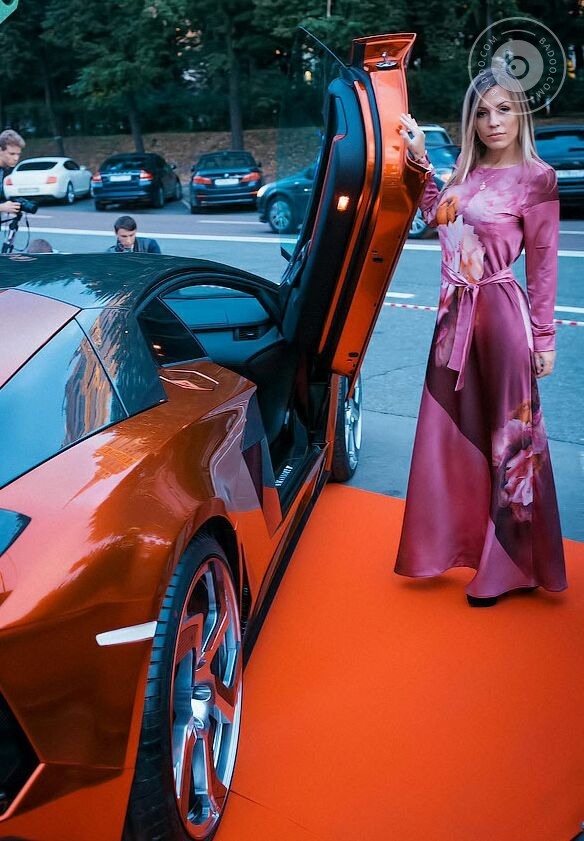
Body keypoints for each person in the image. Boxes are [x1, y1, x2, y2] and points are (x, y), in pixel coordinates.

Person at [394, 67, 567, 607]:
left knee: (510, 444)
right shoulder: (465, 175)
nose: (494, 121)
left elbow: (543, 265)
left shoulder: (537, 178)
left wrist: (544, 338)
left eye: (504, 109)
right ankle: (453, 545)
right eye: (483, 112)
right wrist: (420, 159)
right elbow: (435, 216)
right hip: (453, 324)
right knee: (449, 437)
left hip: (502, 321)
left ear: (521, 114)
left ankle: (508, 567)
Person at [0, 129, 25, 216]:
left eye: (18, 154)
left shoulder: (2, 170)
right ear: (0, 151)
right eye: (12, 154)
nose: (16, 158)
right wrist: (2, 207)